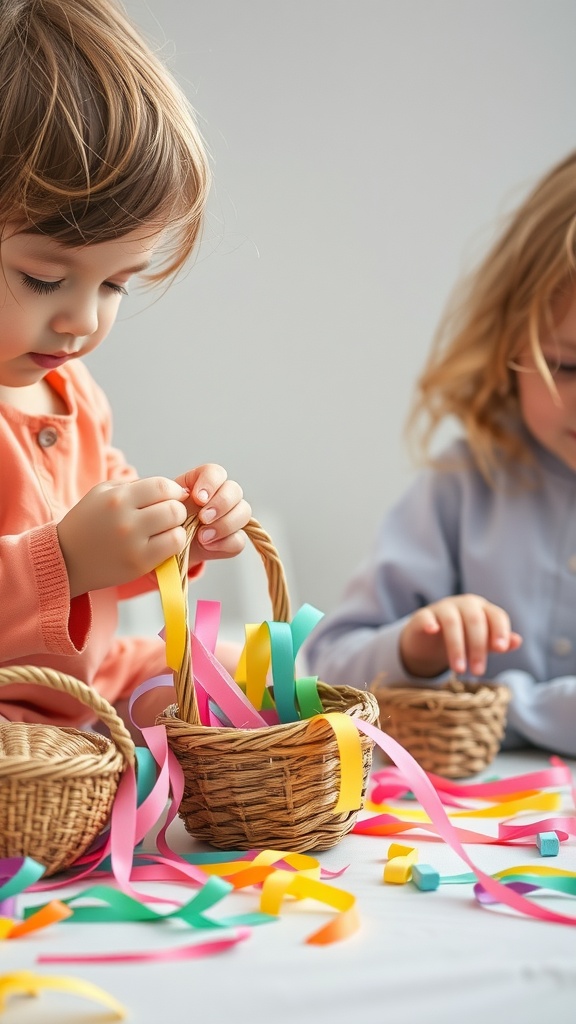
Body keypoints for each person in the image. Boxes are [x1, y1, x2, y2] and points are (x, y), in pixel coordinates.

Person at [0, 0, 251, 730]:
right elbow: (73, 557)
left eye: (115, 284)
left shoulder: (69, 389)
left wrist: (172, 527)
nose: (84, 320)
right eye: (45, 278)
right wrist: (64, 561)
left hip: (87, 684)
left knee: (245, 676)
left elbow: (105, 525)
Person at [305, 150, 576, 757]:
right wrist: (414, 650)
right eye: (568, 365)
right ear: (511, 339)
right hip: (457, 835)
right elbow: (323, 674)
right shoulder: (462, 488)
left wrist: (510, 702)